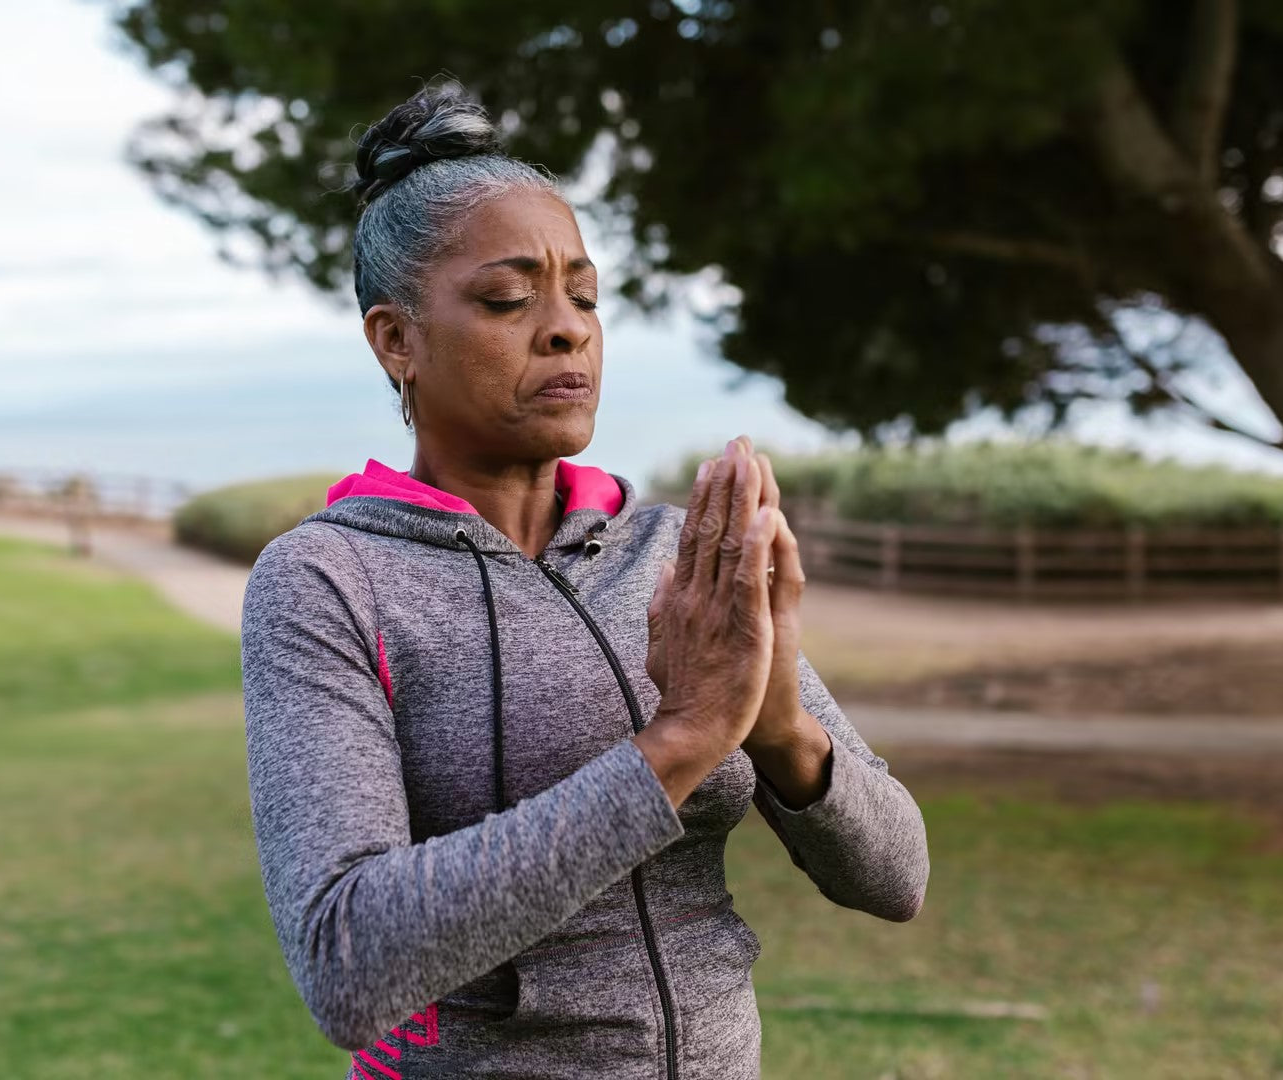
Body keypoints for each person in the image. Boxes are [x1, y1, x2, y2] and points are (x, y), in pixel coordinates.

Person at [239, 79, 930, 1080]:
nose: (565, 328)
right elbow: (349, 962)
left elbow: (897, 877)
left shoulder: (672, 560)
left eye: (584, 297)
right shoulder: (329, 582)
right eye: (508, 299)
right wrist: (681, 744)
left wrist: (778, 723)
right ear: (396, 340)